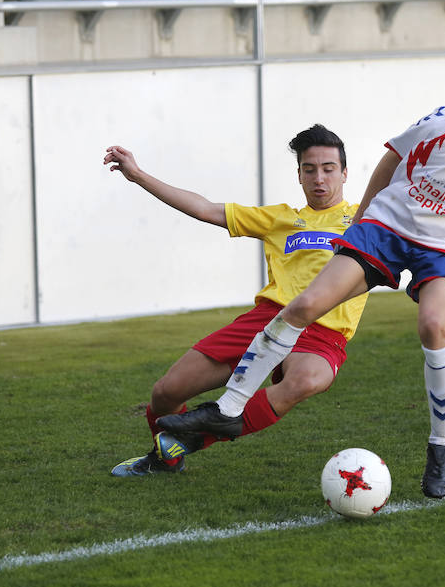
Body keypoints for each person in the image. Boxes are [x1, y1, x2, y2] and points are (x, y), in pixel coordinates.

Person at [157, 51, 445, 499]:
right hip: (390, 225)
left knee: (433, 325)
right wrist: (362, 223)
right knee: (304, 304)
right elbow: (391, 160)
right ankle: (228, 409)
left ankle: (440, 449)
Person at [105, 125, 371, 477]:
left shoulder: (367, 220)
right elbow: (204, 209)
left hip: (322, 332)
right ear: (299, 176)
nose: (319, 178)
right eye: (310, 170)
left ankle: (195, 439)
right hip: (265, 320)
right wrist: (138, 175)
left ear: (345, 173)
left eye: (328, 169)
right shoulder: (280, 218)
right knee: (165, 394)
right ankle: (166, 458)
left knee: (307, 380)